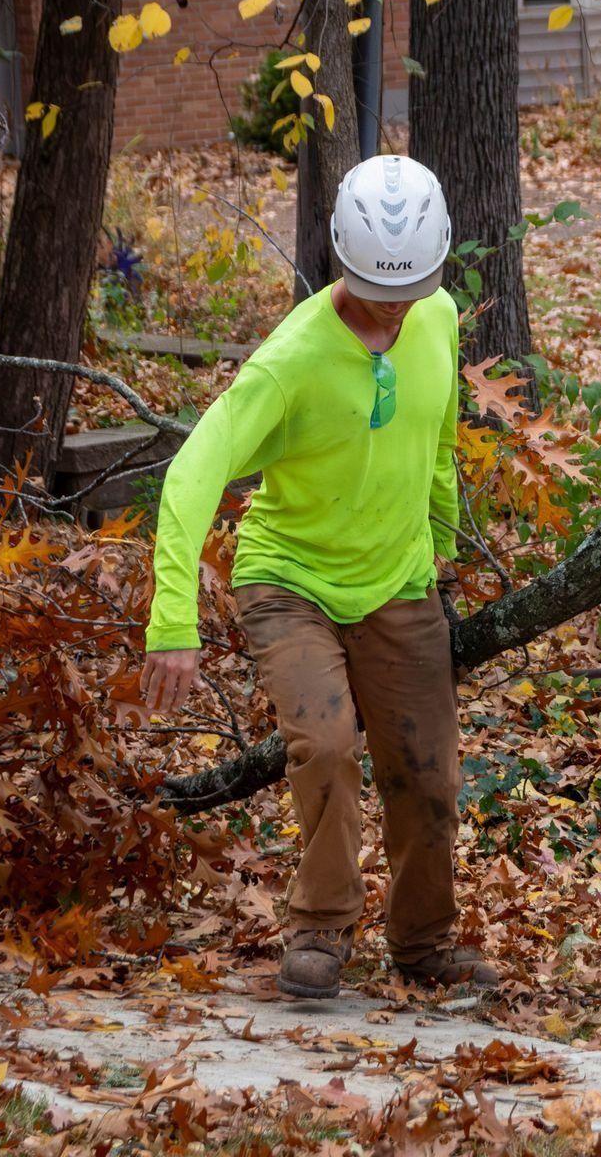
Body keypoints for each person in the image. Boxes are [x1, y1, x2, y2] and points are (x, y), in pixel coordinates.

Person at [140, 155, 495, 999]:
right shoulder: (290, 360)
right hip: (289, 578)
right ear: (340, 257)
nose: (395, 308)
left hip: (398, 579)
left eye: (409, 290)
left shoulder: (438, 317)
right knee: (327, 745)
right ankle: (320, 929)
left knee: (429, 771)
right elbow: (192, 470)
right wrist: (171, 621)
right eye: (377, 288)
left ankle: (422, 943)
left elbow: (439, 442)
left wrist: (440, 544)